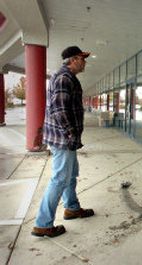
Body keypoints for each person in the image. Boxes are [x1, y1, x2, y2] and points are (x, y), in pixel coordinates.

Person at [32, 46, 94, 237]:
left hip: (65, 138)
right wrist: (71, 135)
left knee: (70, 174)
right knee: (59, 179)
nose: (85, 62)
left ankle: (72, 208)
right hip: (63, 139)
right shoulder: (64, 78)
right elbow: (59, 110)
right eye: (82, 59)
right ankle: (43, 224)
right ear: (73, 59)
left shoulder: (66, 77)